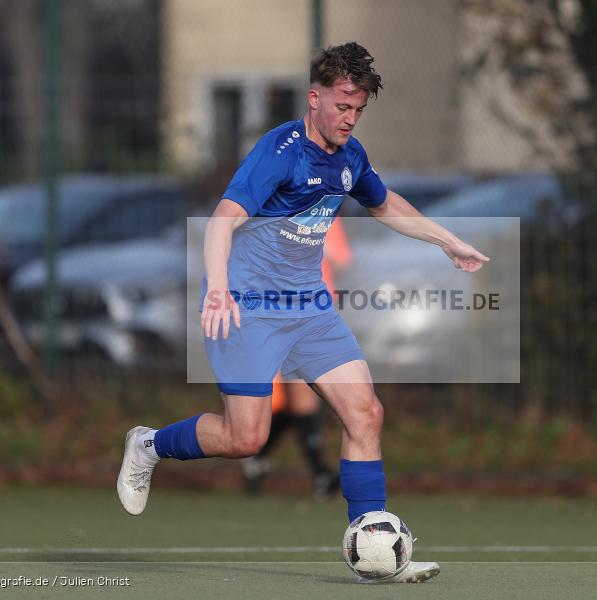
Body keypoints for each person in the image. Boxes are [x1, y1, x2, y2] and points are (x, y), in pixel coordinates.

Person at [118, 41, 489, 584]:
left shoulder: (350, 157)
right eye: (342, 106)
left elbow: (385, 204)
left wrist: (447, 241)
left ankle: (375, 549)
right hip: (248, 308)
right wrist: (218, 289)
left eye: (359, 109)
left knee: (366, 414)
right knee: (246, 439)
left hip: (309, 309)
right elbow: (222, 219)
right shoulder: (281, 151)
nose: (350, 118)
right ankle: (148, 444)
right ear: (314, 99)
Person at [241, 219, 351, 500]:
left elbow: (341, 260)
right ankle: (321, 474)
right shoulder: (279, 214)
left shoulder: (327, 211)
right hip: (290, 314)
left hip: (320, 316)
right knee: (304, 394)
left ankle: (258, 459)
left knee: (300, 399)